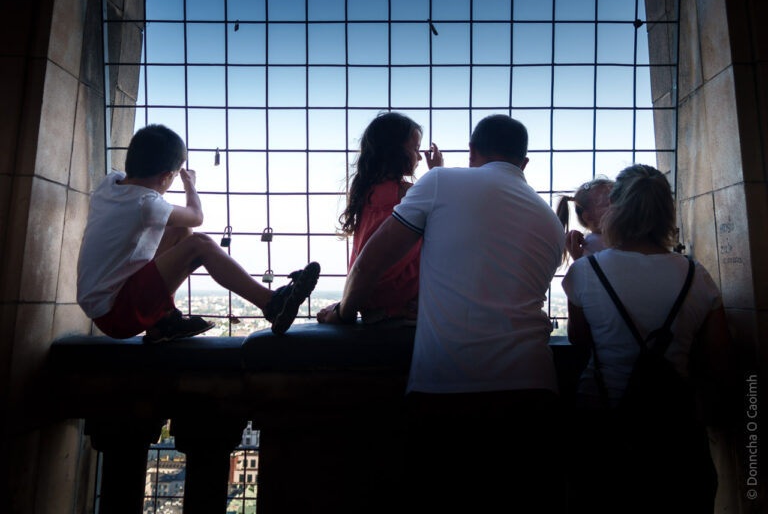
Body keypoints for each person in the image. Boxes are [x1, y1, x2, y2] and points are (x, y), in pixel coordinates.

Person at [318, 114, 565, 509]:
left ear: (471, 152)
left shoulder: (439, 182)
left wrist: (344, 313)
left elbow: (369, 263)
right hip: (534, 387)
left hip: (449, 388)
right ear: (524, 162)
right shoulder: (550, 221)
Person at [562, 164, 730, 513]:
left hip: (601, 421)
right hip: (675, 429)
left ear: (615, 208)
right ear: (666, 211)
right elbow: (718, 360)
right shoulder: (696, 275)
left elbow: (580, 341)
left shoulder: (585, 271)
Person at [77, 124, 320, 342]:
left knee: (180, 229)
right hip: (116, 314)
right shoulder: (146, 204)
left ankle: (164, 321)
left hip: (104, 303)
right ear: (166, 177)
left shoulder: (110, 183)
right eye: (173, 177)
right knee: (199, 244)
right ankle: (272, 303)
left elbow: (179, 221)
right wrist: (189, 185)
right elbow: (196, 216)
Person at [319, 111, 442, 324]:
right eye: (415, 149)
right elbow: (441, 204)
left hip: (367, 294)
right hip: (400, 293)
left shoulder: (364, 191)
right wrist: (437, 173)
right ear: (395, 151)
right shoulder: (406, 193)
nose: (420, 157)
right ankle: (396, 309)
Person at [555, 177, 613, 262]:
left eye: (621, 201)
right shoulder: (597, 245)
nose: (620, 207)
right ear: (589, 217)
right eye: (608, 204)